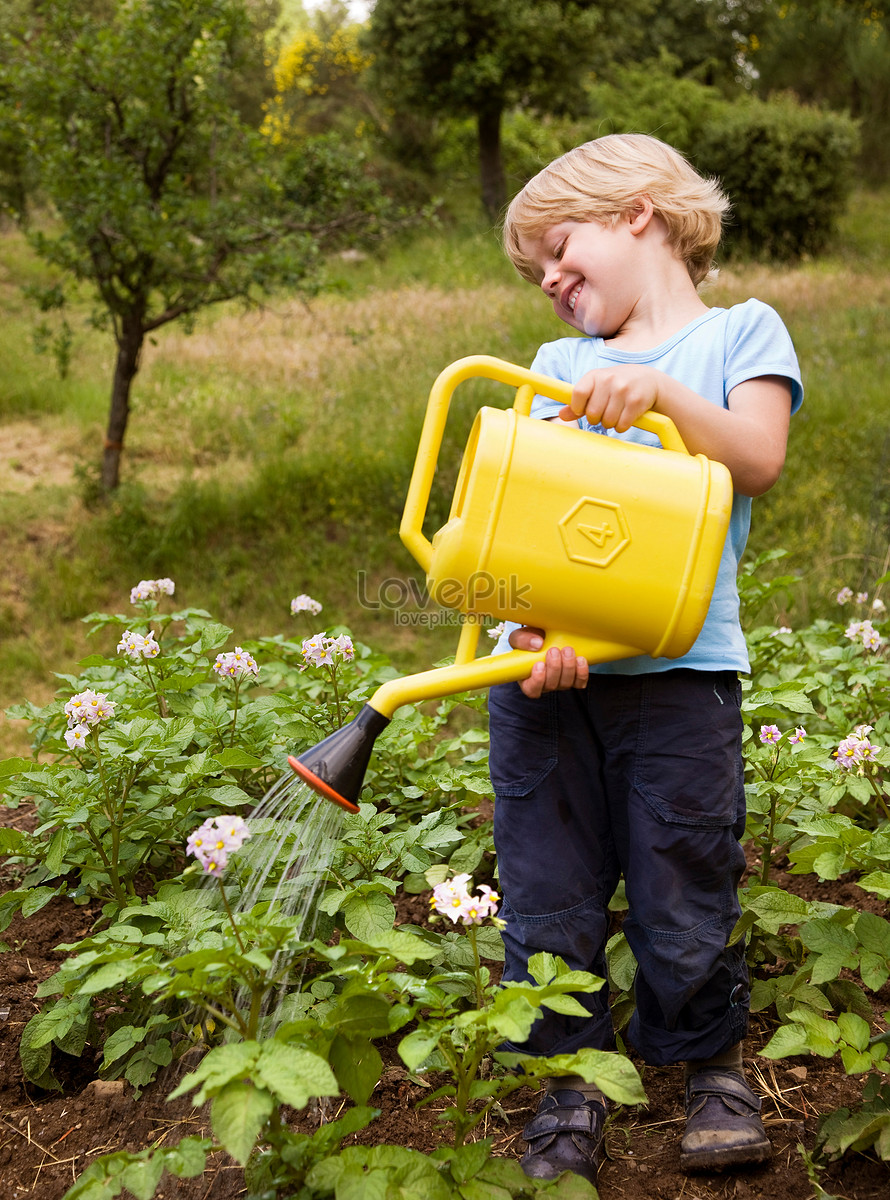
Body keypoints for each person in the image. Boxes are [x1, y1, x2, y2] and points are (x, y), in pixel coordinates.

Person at [488, 133, 803, 1184]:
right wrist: (523, 637)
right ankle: (569, 1083)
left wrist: (659, 395)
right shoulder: (554, 369)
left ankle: (707, 1066)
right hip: (551, 689)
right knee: (546, 887)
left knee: (683, 879)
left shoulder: (737, 336)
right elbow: (519, 527)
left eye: (558, 245)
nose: (547, 277)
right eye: (533, 271)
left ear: (638, 212)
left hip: (678, 677)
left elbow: (755, 457)